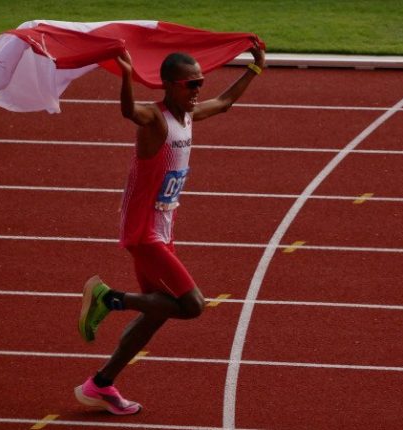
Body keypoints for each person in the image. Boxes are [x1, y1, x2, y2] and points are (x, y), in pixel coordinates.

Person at [74, 44, 266, 415]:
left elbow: (224, 102)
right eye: (190, 84)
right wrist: (127, 76)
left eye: (200, 82)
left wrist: (256, 70)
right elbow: (129, 111)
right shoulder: (156, 119)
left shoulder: (189, 116)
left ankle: (100, 384)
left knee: (157, 313)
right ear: (169, 86)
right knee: (193, 305)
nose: (197, 90)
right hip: (145, 231)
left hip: (163, 228)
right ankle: (108, 298)